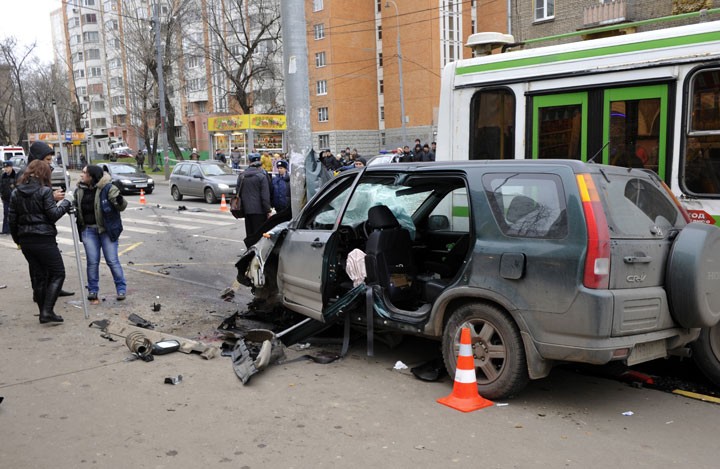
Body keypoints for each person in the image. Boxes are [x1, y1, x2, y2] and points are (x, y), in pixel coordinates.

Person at [8, 160, 73, 324]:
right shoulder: (44, 191)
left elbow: (12, 220)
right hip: (44, 239)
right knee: (58, 273)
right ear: (44, 174)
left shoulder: (16, 192)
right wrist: (66, 202)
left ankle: (43, 312)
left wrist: (18, 240)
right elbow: (53, 215)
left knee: (39, 276)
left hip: (25, 240)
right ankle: (47, 311)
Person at [24, 141, 75, 298]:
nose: (50, 163)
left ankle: (51, 291)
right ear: (38, 159)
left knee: (47, 267)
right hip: (37, 233)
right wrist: (61, 200)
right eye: (47, 160)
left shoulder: (41, 174)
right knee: (47, 269)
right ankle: (42, 298)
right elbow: (30, 200)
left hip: (40, 230)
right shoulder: (25, 176)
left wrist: (51, 196)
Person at [73, 165, 128, 302]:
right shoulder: (79, 190)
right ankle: (93, 290)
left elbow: (121, 206)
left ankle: (121, 289)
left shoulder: (108, 188)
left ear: (92, 176)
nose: (81, 175)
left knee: (112, 260)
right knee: (92, 262)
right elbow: (74, 205)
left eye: (84, 173)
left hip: (106, 230)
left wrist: (119, 200)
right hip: (88, 230)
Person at [237, 153, 271, 244]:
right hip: (260, 211)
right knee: (259, 233)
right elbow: (265, 196)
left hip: (246, 210)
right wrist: (268, 210)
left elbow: (238, 192)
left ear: (249, 161)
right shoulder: (262, 175)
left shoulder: (242, 175)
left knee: (249, 232)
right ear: (259, 161)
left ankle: (249, 250)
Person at [1, 160, 19, 234]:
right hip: (5, 198)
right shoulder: (3, 176)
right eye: (5, 167)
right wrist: (1, 196)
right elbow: (1, 187)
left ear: (11, 167)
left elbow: (18, 187)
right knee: (6, 214)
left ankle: (14, 230)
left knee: (14, 215)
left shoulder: (16, 176)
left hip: (14, 199)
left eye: (7, 167)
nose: (6, 169)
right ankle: (5, 230)